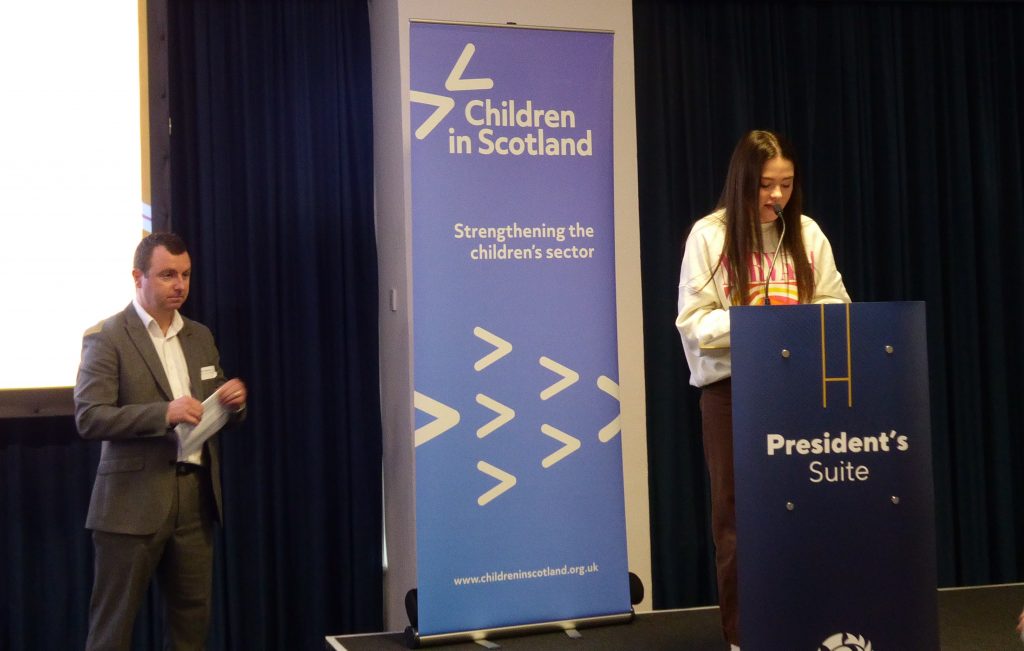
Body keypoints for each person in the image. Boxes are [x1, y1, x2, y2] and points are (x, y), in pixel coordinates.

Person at [675, 130, 850, 649]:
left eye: (786, 184)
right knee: (737, 521)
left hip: (800, 390)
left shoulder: (808, 234)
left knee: (809, 506)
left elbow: (837, 304)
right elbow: (693, 325)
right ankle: (743, 637)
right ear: (742, 182)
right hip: (733, 393)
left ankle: (810, 625)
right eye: (765, 186)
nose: (776, 197)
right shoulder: (709, 235)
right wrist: (756, 323)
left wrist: (795, 322)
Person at [74, 232, 247, 650]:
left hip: (195, 498)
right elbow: (90, 417)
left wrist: (233, 402)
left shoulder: (200, 336)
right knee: (112, 629)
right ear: (139, 277)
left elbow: (215, 399)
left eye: (185, 274)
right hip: (130, 504)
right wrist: (163, 414)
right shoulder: (108, 336)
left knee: (191, 625)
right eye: (168, 274)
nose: (180, 285)